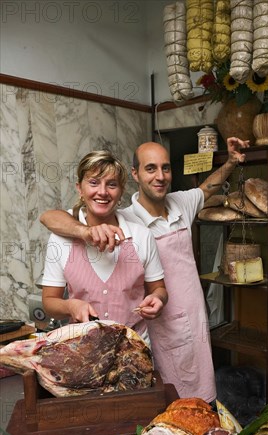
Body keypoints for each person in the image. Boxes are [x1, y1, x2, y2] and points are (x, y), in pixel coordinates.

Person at [40, 137, 249, 402]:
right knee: (163, 399)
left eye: (165, 168)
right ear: (135, 175)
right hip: (144, 332)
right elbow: (50, 217)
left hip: (188, 316)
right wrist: (87, 232)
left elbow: (208, 187)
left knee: (197, 397)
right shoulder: (124, 216)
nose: (159, 176)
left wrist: (231, 161)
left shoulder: (179, 205)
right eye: (151, 168)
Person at [41, 150, 167, 345]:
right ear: (80, 189)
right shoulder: (61, 238)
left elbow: (158, 288)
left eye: (112, 184)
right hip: (82, 350)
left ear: (121, 191)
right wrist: (70, 306)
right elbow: (49, 301)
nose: (102, 192)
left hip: (134, 348)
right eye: (93, 183)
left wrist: (158, 299)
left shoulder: (141, 236)